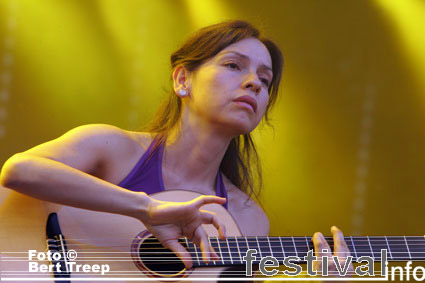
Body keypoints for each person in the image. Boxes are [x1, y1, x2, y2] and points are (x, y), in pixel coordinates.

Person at [0, 20, 352, 274]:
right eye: (233, 66)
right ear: (183, 79)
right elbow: (18, 171)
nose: (254, 84)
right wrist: (146, 209)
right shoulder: (112, 147)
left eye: (265, 80)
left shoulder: (248, 218)